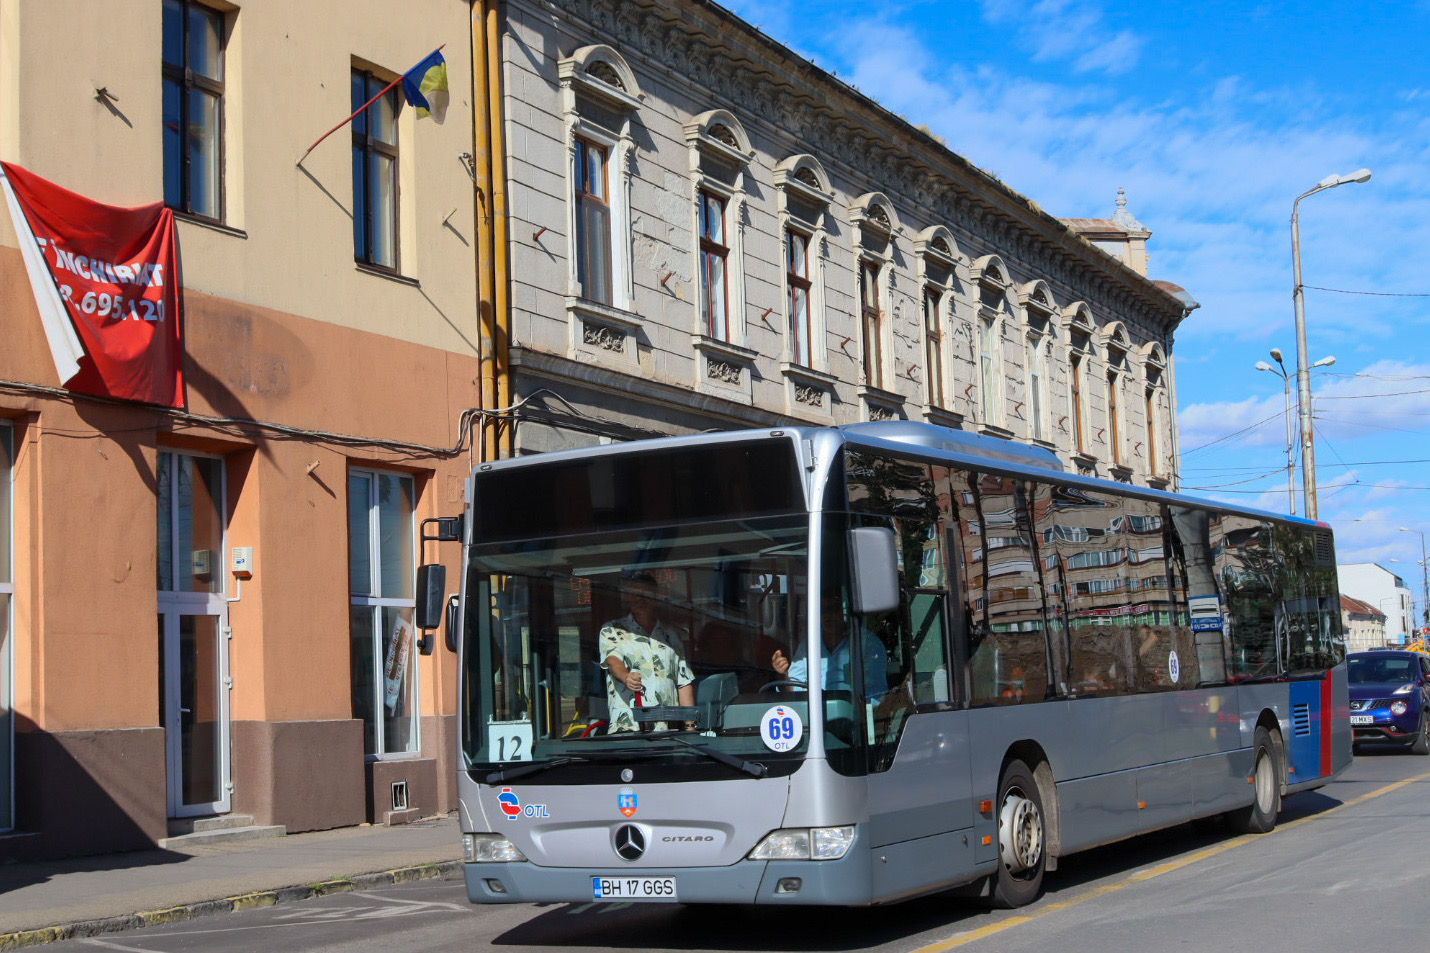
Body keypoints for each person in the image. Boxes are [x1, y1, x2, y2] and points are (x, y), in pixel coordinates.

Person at [599, 571, 695, 732]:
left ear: (656, 597)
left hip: (668, 730)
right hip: (630, 728)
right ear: (627, 598)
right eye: (635, 594)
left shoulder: (672, 634)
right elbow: (612, 661)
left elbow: (684, 681)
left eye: (647, 593)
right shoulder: (612, 629)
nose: (640, 599)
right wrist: (626, 677)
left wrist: (690, 727)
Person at [771, 594, 888, 701]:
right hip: (814, 717)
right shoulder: (808, 645)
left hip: (853, 718)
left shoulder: (867, 643)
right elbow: (795, 691)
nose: (827, 615)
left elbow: (876, 694)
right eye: (822, 610)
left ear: (845, 611)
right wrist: (782, 674)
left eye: (833, 609)